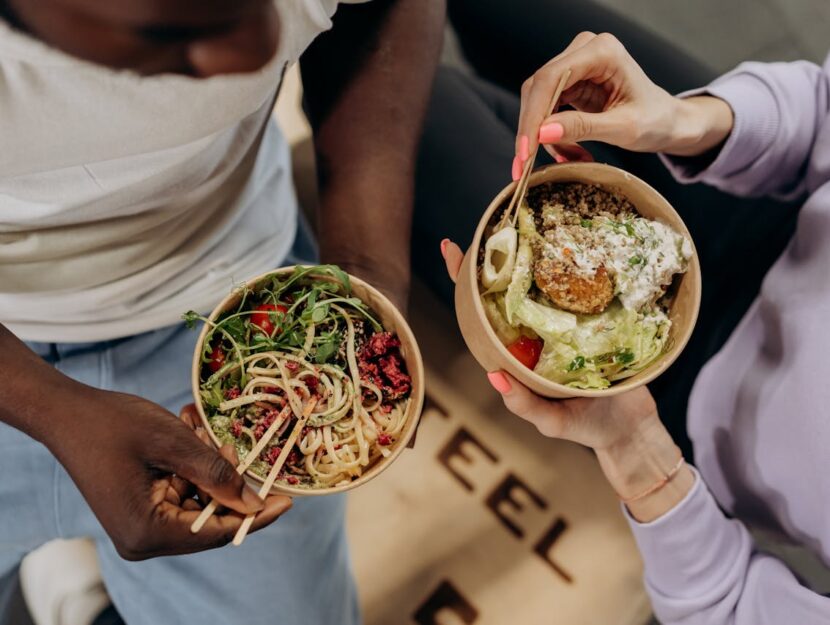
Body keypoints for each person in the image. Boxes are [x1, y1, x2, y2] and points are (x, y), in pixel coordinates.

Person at [0, 0, 443, 623]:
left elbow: (379, 15)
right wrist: (50, 409)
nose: (256, 57)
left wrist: (368, 273)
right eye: (168, 29)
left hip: (232, 290)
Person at [425, 1, 830, 622]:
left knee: (403, 100)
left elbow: (732, 609)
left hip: (677, 400)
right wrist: (688, 121)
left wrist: (640, 457)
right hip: (749, 190)